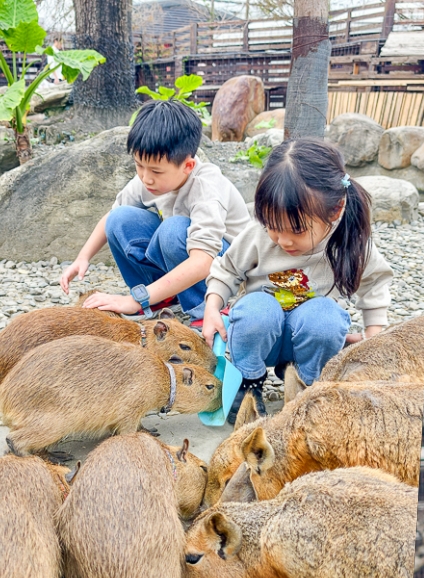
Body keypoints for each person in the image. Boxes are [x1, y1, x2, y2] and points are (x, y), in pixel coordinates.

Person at [202, 136, 394, 421]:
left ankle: (305, 386)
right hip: (259, 338)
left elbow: (375, 282)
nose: (282, 240)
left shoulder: (348, 240)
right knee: (258, 310)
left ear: (336, 209)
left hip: (307, 340)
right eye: (273, 227)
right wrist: (211, 307)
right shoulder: (257, 235)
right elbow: (226, 270)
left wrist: (372, 338)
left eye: (296, 230)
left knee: (327, 318)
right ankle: (249, 382)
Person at [61, 100, 253, 325]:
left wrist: (134, 299)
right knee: (119, 219)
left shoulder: (206, 187)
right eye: (139, 165)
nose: (146, 177)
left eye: (155, 171)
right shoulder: (147, 179)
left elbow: (203, 261)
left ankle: (204, 308)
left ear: (188, 166)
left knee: (172, 231)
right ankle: (159, 298)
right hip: (186, 252)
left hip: (224, 265)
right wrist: (82, 258)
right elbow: (110, 220)